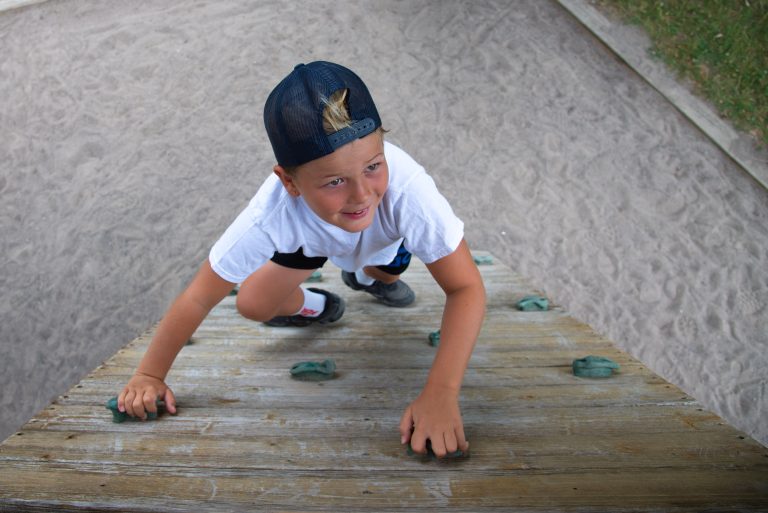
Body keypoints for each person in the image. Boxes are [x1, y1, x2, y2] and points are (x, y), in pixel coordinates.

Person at [117, 61, 486, 457]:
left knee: (383, 272)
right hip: (312, 243)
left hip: (382, 240)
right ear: (288, 182)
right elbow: (198, 296)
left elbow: (465, 287)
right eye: (335, 181)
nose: (362, 194)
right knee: (252, 304)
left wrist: (441, 393)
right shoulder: (271, 214)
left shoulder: (406, 190)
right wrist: (149, 374)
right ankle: (320, 304)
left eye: (373, 166)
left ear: (383, 149)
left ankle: (368, 278)